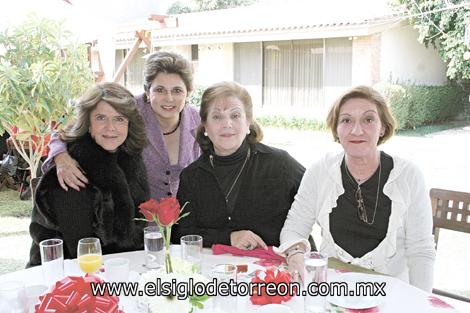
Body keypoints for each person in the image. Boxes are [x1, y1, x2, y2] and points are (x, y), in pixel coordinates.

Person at [278, 86, 435, 291]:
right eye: (346, 120)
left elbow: (421, 251)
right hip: (334, 291)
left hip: (391, 294)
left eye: (368, 120)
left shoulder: (408, 175)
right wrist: (295, 252)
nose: (356, 130)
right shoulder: (320, 172)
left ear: (383, 127)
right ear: (336, 129)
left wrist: (422, 303)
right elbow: (294, 228)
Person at [43, 51, 200, 199]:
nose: (169, 98)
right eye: (160, 90)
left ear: (188, 93)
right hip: (138, 219)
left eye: (177, 90)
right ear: (147, 91)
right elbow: (67, 133)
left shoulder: (199, 120)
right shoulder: (127, 109)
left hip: (186, 218)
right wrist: (61, 158)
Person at [171, 81, 305, 250]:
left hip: (274, 270)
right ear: (205, 125)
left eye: (235, 116)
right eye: (217, 116)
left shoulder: (280, 164)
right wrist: (228, 238)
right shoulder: (192, 176)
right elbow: (181, 234)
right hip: (213, 271)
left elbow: (313, 205)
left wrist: (296, 247)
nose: (227, 124)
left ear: (248, 122)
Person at [28, 82, 150, 266]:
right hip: (65, 279)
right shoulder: (71, 174)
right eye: (101, 118)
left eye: (119, 118)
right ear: (88, 123)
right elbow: (81, 255)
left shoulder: (128, 159)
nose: (111, 127)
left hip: (119, 269)